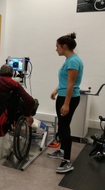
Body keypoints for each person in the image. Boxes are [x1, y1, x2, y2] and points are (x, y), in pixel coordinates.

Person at [47, 32, 83, 173]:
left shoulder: (73, 61)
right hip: (62, 96)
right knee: (62, 127)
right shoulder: (69, 60)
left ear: (64, 46)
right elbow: (65, 81)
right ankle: (62, 151)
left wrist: (66, 104)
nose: (56, 49)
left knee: (64, 128)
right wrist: (56, 89)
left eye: (57, 46)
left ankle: (67, 161)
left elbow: (71, 84)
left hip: (69, 98)